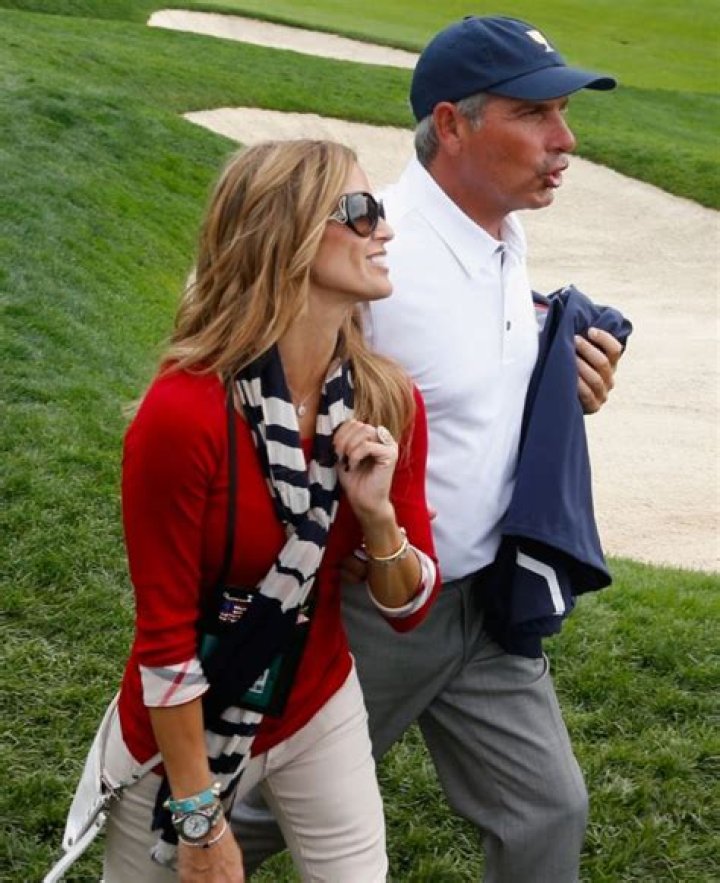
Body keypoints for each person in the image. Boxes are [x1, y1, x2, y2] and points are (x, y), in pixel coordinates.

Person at [231, 16, 626, 883]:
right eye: (536, 114)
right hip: (373, 609)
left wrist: (563, 390)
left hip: (484, 604)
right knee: (257, 808)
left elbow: (460, 386)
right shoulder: (375, 250)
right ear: (451, 125)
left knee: (548, 809)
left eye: (564, 113)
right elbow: (254, 392)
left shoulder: (498, 233)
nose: (565, 140)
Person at [49, 139, 440, 883]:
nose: (384, 230)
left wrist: (378, 518)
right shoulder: (183, 412)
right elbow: (165, 642)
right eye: (361, 211)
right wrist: (198, 821)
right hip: (182, 724)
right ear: (289, 233)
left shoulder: (386, 398)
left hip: (318, 704)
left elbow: (410, 607)